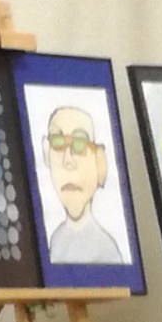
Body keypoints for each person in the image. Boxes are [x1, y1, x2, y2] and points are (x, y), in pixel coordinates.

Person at [43, 105, 124, 265]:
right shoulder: (56, 240)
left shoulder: (106, 251)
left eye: (80, 143)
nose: (68, 160)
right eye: (57, 142)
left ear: (99, 160)